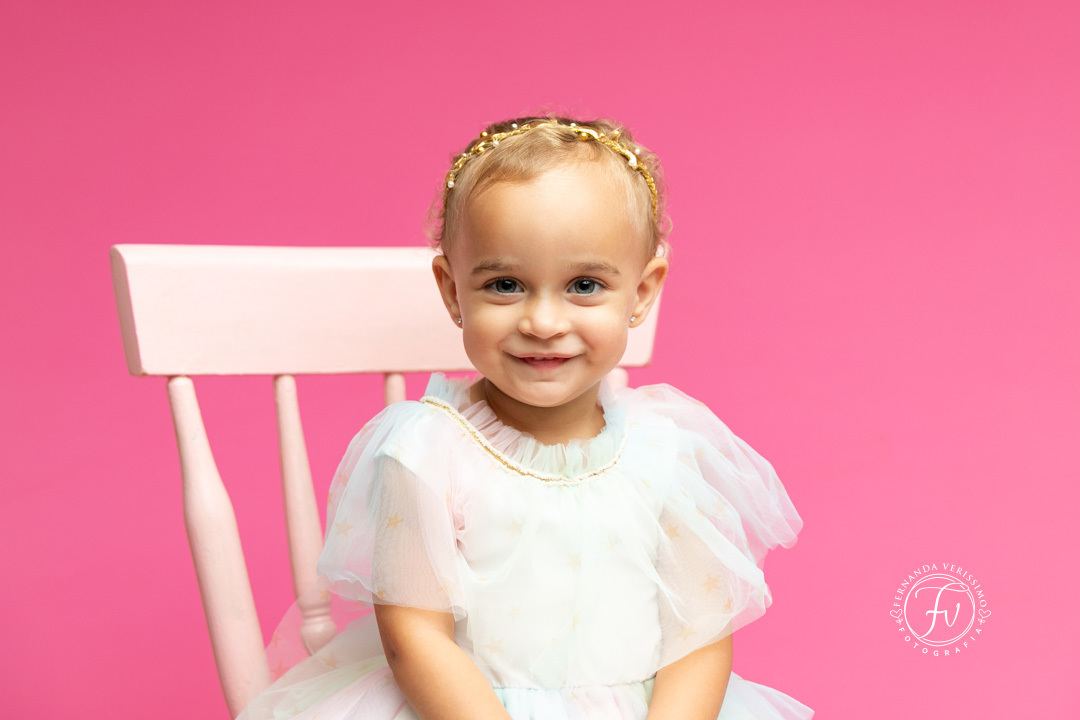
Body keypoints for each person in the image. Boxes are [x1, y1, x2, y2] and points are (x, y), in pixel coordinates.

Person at [236, 115, 814, 719]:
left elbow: (699, 638)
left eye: (584, 285)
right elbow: (415, 638)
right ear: (452, 291)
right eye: (506, 284)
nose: (543, 322)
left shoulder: (667, 453)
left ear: (642, 292)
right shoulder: (426, 453)